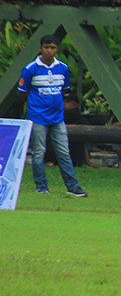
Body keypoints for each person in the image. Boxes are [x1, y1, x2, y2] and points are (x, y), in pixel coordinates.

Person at [17, 34, 87, 196]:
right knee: (39, 152)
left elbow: (64, 90)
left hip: (57, 118)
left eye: (53, 48)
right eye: (46, 47)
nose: (49, 51)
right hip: (38, 117)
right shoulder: (30, 69)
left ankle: (72, 186)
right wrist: (36, 103)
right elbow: (22, 92)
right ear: (40, 49)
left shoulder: (62, 68)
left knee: (63, 151)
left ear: (57, 49)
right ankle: (41, 186)